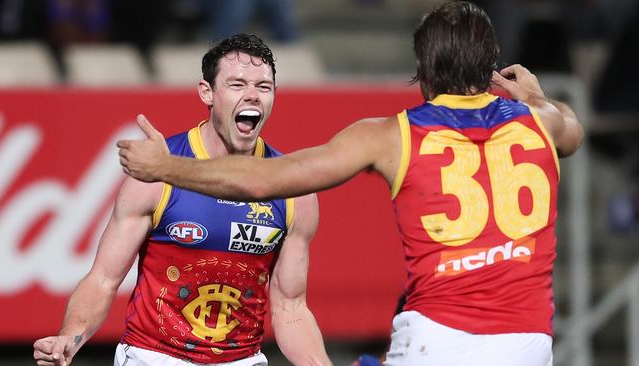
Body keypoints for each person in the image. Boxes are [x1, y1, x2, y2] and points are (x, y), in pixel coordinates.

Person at [117, 2, 584, 365]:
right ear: (490, 66)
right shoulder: (541, 122)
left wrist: (166, 168)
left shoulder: (392, 135)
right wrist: (538, 97)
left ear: (423, 68)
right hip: (531, 341)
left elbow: (263, 181)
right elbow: (574, 130)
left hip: (438, 337)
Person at [33, 34, 331, 366]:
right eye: (237, 84)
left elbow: (291, 308)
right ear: (207, 92)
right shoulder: (157, 175)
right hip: (153, 358)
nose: (253, 96)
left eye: (264, 87)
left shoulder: (292, 189)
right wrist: (70, 337)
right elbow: (103, 279)